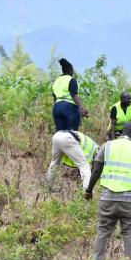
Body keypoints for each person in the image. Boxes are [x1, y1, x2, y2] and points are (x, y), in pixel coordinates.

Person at [84, 121, 131, 260]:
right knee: (129, 235)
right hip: (130, 202)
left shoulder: (106, 146)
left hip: (107, 199)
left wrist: (89, 190)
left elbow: (96, 170)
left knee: (102, 232)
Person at [47, 58, 92, 191]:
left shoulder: (56, 81)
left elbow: (55, 97)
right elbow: (74, 95)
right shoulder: (71, 80)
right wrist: (81, 108)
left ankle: (49, 186)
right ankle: (80, 174)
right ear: (71, 71)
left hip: (57, 108)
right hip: (69, 109)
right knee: (72, 138)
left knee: (60, 139)